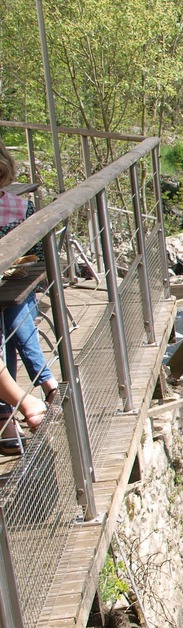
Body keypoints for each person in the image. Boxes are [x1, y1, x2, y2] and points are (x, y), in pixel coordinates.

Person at [0, 144, 51, 455]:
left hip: (13, 285)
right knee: (12, 315)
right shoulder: (21, 207)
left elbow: (40, 258)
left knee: (13, 311)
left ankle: (8, 413)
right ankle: (44, 386)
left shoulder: (20, 208)